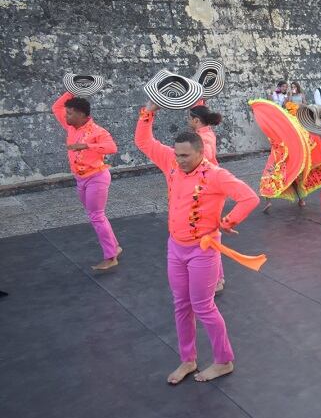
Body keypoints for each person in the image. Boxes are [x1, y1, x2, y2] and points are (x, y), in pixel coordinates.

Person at [135, 102, 260, 384]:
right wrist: (149, 110)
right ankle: (187, 360)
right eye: (177, 155)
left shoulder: (215, 175)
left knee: (203, 306)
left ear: (201, 153)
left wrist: (228, 222)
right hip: (175, 248)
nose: (179, 160)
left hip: (203, 249)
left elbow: (249, 197)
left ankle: (223, 360)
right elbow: (143, 140)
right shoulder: (171, 162)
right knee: (181, 304)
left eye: (186, 156)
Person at [52, 90, 121, 271]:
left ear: (81, 114)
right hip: (80, 179)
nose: (65, 115)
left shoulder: (98, 131)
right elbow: (56, 107)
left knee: (96, 216)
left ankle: (111, 257)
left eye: (70, 113)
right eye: (67, 113)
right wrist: (72, 90)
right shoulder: (70, 126)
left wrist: (86, 145)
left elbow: (112, 148)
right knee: (96, 215)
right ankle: (115, 247)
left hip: (97, 178)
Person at [188, 104, 226, 293]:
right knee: (208, 234)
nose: (188, 122)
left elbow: (209, 155)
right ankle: (217, 276)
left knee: (210, 234)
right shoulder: (207, 132)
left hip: (209, 189)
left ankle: (217, 278)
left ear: (196, 120)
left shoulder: (202, 137)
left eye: (190, 118)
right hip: (207, 187)